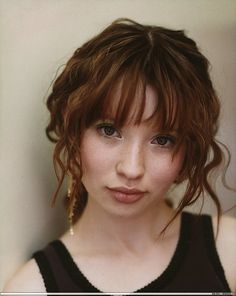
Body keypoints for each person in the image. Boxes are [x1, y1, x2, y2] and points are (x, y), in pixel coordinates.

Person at [3, 18, 236, 293]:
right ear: (73, 128)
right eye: (109, 130)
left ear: (188, 151)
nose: (132, 168)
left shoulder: (229, 250)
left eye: (162, 140)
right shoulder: (33, 289)